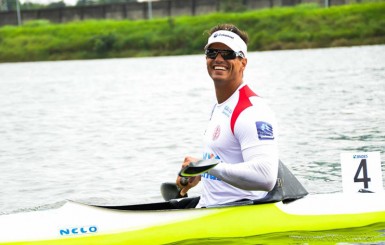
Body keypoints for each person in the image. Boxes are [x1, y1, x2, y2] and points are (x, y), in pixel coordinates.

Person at [176, 24, 279, 208]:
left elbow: (266, 176)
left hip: (240, 213)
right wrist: (200, 174)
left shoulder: (251, 110)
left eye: (228, 54)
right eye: (212, 53)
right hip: (212, 207)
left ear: (243, 62)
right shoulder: (221, 106)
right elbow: (226, 160)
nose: (219, 59)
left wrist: (206, 166)